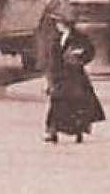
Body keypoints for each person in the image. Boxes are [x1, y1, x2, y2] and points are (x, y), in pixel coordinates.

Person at [42, 8, 105, 143]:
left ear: (65, 24)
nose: (57, 26)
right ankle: (52, 131)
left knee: (75, 103)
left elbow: (90, 51)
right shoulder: (56, 38)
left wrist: (81, 58)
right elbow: (51, 58)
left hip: (75, 76)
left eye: (59, 22)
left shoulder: (79, 37)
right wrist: (49, 78)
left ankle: (77, 130)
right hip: (59, 75)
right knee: (56, 103)